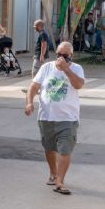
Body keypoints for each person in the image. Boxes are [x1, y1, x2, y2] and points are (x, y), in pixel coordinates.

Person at [24, 42, 85, 195]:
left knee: (65, 150)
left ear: (71, 56)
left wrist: (66, 69)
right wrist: (29, 103)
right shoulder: (46, 68)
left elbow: (78, 85)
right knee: (49, 148)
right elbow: (33, 86)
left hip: (68, 118)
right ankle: (53, 173)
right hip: (46, 117)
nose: (61, 58)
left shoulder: (76, 68)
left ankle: (60, 181)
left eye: (65, 56)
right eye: (59, 54)